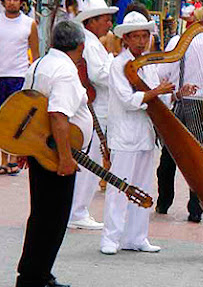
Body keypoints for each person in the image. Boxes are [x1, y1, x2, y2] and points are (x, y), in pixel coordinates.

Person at [16, 20, 93, 287]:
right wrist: (65, 158)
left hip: (40, 148)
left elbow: (27, 109)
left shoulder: (39, 64)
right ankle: (35, 278)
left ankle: (34, 272)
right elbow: (58, 116)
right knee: (54, 218)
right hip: (54, 153)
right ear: (80, 46)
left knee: (40, 214)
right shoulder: (65, 70)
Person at [100, 11, 175, 255]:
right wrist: (155, 93)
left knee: (143, 187)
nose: (142, 41)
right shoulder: (118, 65)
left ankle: (136, 237)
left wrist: (175, 92)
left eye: (145, 36)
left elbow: (159, 96)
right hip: (124, 135)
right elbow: (128, 100)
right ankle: (110, 238)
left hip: (145, 135)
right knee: (119, 187)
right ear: (126, 39)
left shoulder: (148, 65)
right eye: (136, 37)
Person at [155, 6, 203, 223]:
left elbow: (162, 72)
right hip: (202, 106)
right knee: (199, 159)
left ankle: (163, 202)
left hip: (178, 103)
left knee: (169, 155)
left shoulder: (177, 42)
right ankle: (195, 209)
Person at [67, 0, 118, 230]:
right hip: (95, 109)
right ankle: (78, 210)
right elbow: (99, 75)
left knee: (92, 159)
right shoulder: (89, 43)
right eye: (104, 19)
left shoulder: (92, 42)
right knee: (91, 160)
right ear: (92, 21)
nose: (109, 23)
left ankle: (77, 209)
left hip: (98, 107)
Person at [0, 0, 39, 175]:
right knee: (1, 119)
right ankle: (3, 160)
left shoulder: (29, 24)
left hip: (19, 76)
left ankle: (14, 159)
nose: (11, 2)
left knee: (16, 119)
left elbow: (35, 53)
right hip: (1, 75)